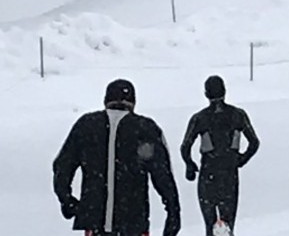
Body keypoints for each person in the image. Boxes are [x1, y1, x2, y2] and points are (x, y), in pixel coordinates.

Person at [54, 79, 181, 236]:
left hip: (95, 222)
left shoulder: (86, 126)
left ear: (106, 100)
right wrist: (173, 211)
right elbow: (163, 175)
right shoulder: (146, 129)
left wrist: (66, 200)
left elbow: (62, 165)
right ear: (133, 102)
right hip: (133, 222)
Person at [180, 76, 260, 236]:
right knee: (228, 224)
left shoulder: (199, 118)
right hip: (229, 174)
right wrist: (240, 160)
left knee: (210, 225)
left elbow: (185, 147)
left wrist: (190, 165)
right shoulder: (238, 115)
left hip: (208, 175)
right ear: (225, 91)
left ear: (205, 93)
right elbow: (254, 142)